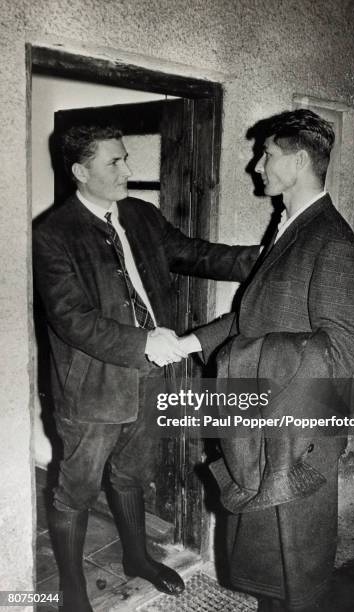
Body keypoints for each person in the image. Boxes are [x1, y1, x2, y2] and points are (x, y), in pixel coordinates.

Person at [33, 123, 260, 612]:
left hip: (151, 377)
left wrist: (263, 258)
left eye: (125, 158)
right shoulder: (52, 234)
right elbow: (73, 320)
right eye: (114, 161)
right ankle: (72, 590)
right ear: (80, 170)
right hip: (92, 388)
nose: (127, 170)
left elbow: (195, 253)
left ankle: (136, 558)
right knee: (76, 491)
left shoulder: (140, 215)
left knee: (132, 475)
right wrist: (145, 343)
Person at [190, 109, 354, 611]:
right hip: (267, 420)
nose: (256, 165)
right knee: (268, 562)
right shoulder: (290, 224)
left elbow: (350, 346)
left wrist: (247, 356)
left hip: (298, 431)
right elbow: (256, 315)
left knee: (297, 567)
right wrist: (189, 343)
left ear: (295, 161)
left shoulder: (329, 238)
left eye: (266, 155)